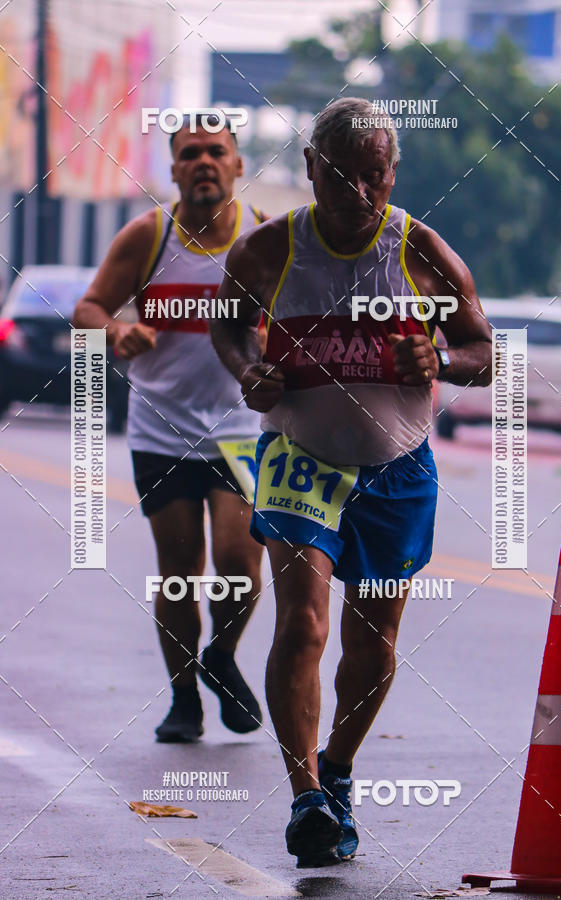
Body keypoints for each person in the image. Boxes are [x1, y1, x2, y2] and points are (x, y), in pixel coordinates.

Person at [211, 97, 492, 867]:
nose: (358, 195)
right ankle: (305, 798)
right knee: (303, 622)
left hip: (397, 466)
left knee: (372, 647)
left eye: (374, 177)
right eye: (340, 177)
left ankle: (337, 771)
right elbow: (227, 324)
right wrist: (250, 371)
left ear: (393, 174)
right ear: (309, 170)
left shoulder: (422, 253)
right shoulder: (271, 251)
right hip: (301, 458)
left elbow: (483, 350)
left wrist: (441, 362)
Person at [74, 114, 266, 742]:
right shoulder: (149, 236)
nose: (204, 162)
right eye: (190, 154)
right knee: (180, 571)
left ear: (237, 164)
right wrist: (116, 330)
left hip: (243, 432)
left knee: (240, 566)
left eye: (217, 152)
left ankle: (222, 654)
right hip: (161, 432)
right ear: (174, 169)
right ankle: (185, 700)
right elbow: (89, 306)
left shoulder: (265, 238)